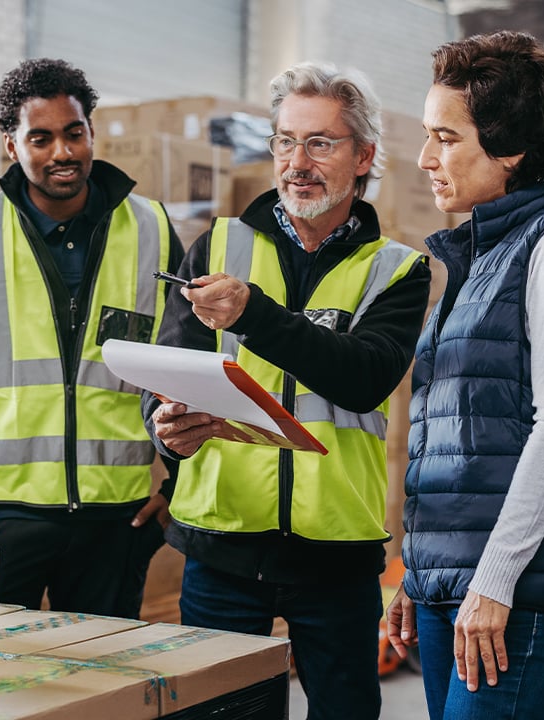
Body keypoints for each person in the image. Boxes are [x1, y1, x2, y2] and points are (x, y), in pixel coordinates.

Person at [141, 61, 430, 720]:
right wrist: (168, 430)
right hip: (222, 550)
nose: (297, 161)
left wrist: (253, 314)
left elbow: (362, 377)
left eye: (320, 143)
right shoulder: (217, 245)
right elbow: (171, 371)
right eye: (285, 141)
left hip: (336, 557)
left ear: (363, 157)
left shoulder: (397, 270)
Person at [386, 30, 544, 720]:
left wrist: (492, 583)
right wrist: (422, 570)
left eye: (447, 137)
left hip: (516, 594)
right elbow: (455, 442)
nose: (427, 158)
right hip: (454, 590)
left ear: (512, 148)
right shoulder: (474, 262)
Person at [0, 58, 184, 619]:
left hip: (117, 520)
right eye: (41, 137)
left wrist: (175, 489)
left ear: (90, 132)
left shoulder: (152, 229)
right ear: (12, 146)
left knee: (105, 692)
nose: (62, 151)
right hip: (2, 517)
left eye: (73, 132)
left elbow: (188, 365)